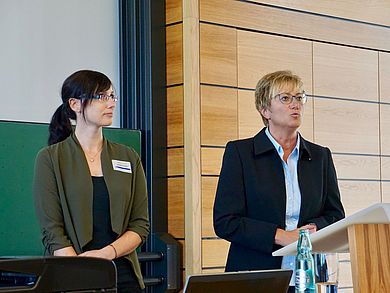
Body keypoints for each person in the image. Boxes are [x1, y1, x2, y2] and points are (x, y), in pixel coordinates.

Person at [213, 70, 345, 292]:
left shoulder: (320, 156)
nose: (296, 104)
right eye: (285, 98)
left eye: (299, 97)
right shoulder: (240, 153)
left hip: (308, 277)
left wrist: (311, 231)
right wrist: (282, 236)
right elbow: (225, 221)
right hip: (255, 278)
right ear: (265, 110)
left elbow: (335, 215)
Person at [33, 70, 149, 292]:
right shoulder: (50, 158)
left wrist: (107, 254)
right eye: (101, 97)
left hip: (122, 275)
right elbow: (52, 229)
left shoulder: (128, 156)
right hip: (70, 275)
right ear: (75, 104)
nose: (111, 103)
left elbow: (140, 224)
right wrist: (80, 269)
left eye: (112, 96)